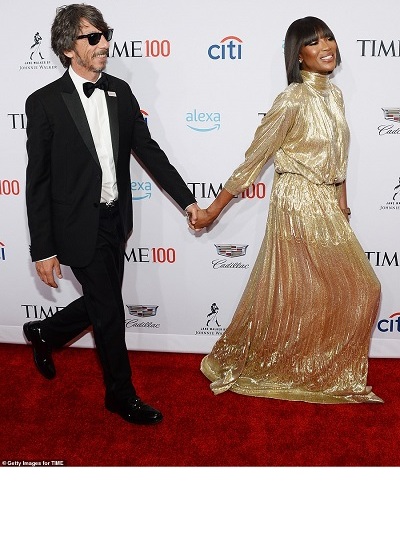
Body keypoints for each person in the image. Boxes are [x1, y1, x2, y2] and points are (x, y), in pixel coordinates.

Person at [23, 3, 200, 425]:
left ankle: (45, 331)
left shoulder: (120, 91)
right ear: (68, 48)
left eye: (105, 35)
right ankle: (121, 395)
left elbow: (149, 152)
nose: (104, 44)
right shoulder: (44, 103)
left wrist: (188, 201)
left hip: (115, 221)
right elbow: (38, 181)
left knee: (102, 303)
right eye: (93, 37)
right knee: (109, 311)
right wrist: (42, 248)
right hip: (75, 225)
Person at [191, 16, 383, 404]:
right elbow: (254, 159)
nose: (326, 46)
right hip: (297, 201)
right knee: (363, 286)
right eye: (314, 42)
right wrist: (213, 211)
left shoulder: (335, 95)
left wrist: (342, 205)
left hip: (326, 201)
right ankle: (299, 368)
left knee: (325, 292)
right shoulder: (292, 99)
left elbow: (339, 158)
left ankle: (309, 366)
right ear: (298, 55)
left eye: (329, 38)